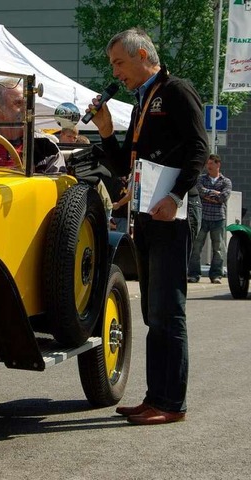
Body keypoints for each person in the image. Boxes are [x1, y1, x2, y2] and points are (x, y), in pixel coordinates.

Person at [88, 28, 208, 425]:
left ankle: (171, 404)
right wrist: (106, 130)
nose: (116, 73)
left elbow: (198, 149)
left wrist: (175, 197)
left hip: (171, 216)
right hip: (147, 216)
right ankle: (156, 397)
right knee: (154, 314)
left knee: (168, 312)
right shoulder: (142, 101)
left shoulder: (176, 90)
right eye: (113, 66)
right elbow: (125, 165)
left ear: (142, 55)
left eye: (119, 63)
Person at [0, 78, 64, 172]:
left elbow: (58, 186)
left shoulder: (45, 146)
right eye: (18, 103)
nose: (26, 109)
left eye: (26, 104)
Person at [188, 154, 232, 284]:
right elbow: (200, 191)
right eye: (207, 164)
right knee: (196, 247)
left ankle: (216, 275)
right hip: (203, 216)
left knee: (217, 249)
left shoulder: (226, 181)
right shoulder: (201, 179)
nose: (209, 166)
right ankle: (194, 274)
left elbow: (224, 197)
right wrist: (215, 194)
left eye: (211, 163)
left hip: (218, 218)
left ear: (218, 164)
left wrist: (210, 195)